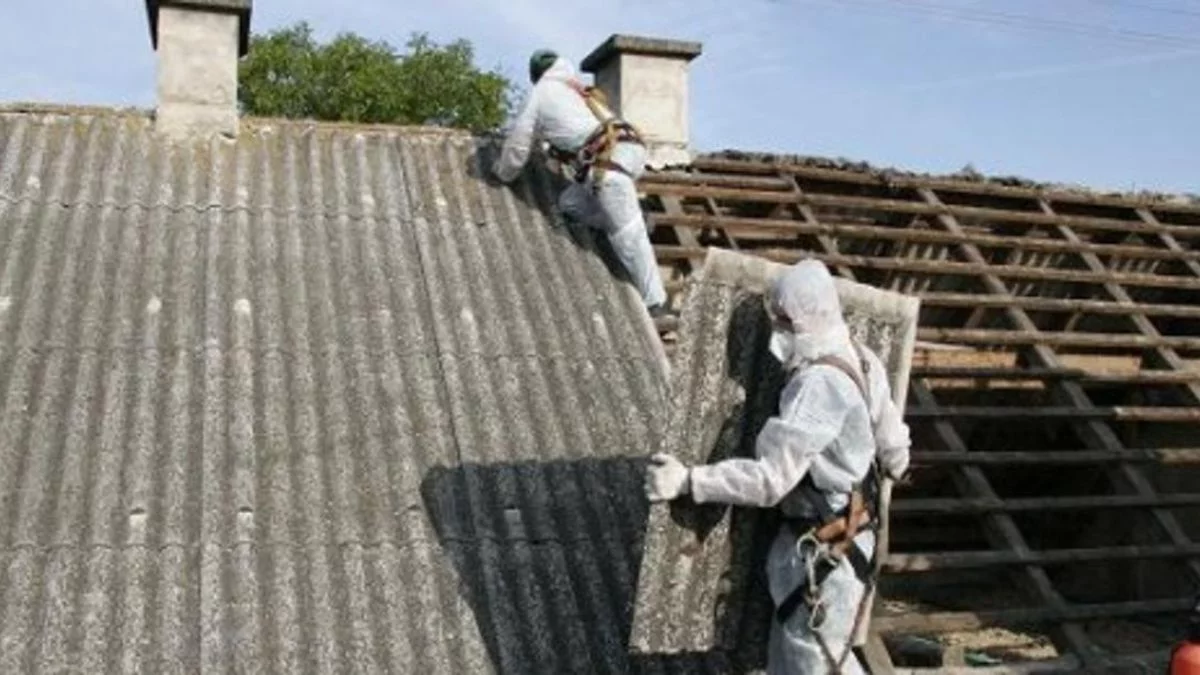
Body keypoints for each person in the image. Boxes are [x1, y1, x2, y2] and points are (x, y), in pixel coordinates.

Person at [644, 259, 911, 674]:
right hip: (851, 541)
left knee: (814, 663)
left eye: (781, 322)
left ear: (798, 322)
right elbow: (897, 452)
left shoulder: (816, 385)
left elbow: (770, 481)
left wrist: (690, 480)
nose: (777, 332)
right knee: (805, 661)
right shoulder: (863, 360)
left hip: (824, 552)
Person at [491, 49, 676, 327]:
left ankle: (656, 304)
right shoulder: (576, 89)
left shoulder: (540, 93)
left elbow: (518, 146)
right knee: (570, 204)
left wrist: (502, 174)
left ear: (536, 75)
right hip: (630, 149)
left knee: (627, 234)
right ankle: (633, 210)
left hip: (608, 165)